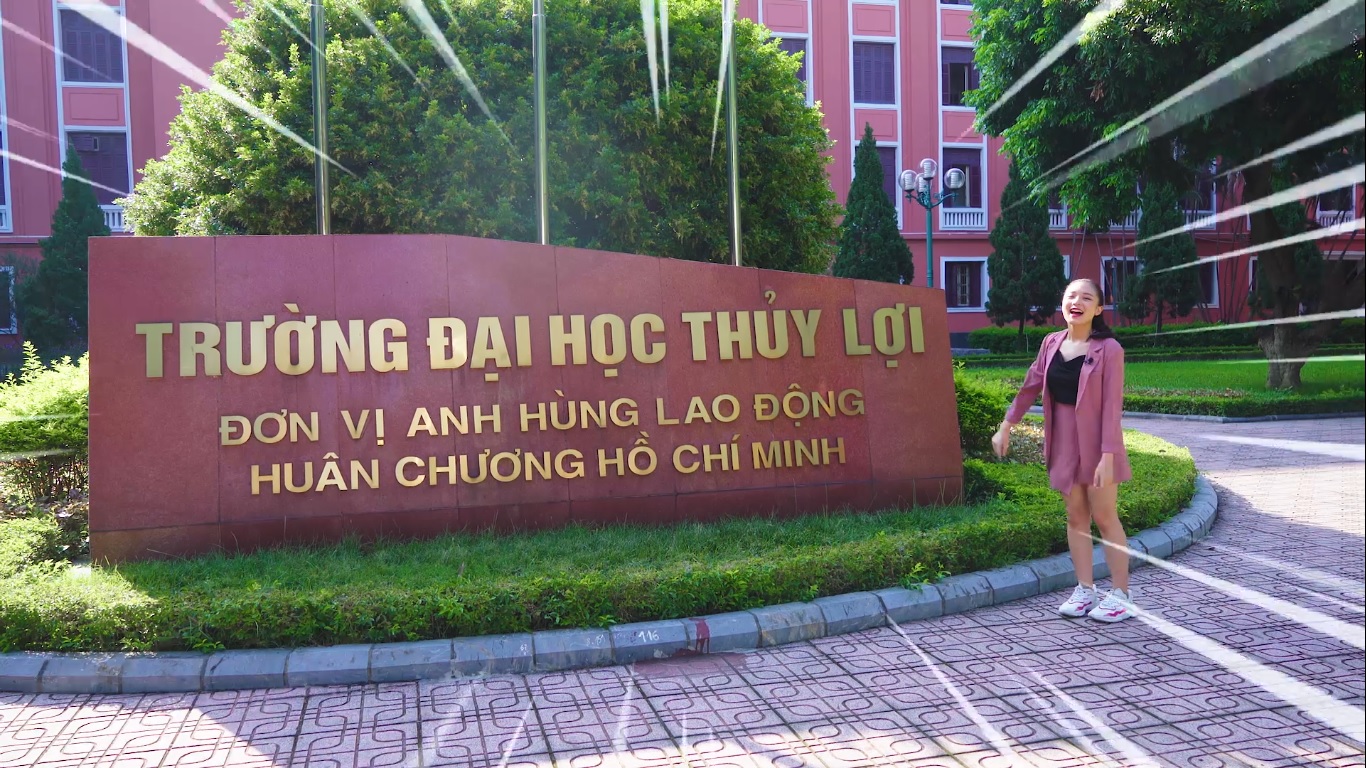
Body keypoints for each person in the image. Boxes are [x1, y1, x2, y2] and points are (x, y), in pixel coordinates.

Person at [991, 278, 1135, 622]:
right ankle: (1086, 589)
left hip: (1099, 443)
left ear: (1098, 309)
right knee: (1075, 516)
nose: (1077, 302)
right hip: (1064, 440)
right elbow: (1030, 385)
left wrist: (1108, 455)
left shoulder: (1109, 349)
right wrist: (1006, 425)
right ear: (1063, 302)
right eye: (1071, 296)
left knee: (1104, 516)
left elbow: (1112, 407)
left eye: (1086, 298)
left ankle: (1121, 594)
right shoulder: (1051, 343)